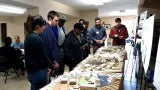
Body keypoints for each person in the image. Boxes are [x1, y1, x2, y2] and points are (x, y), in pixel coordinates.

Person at [24, 15, 54, 90]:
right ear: (37, 26)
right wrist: (51, 66)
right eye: (43, 25)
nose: (45, 27)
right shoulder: (37, 39)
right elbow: (43, 57)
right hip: (38, 72)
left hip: (31, 72)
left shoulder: (28, 36)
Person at [40, 11, 60, 76]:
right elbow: (48, 48)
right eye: (56, 21)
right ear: (50, 19)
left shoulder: (50, 28)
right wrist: (54, 61)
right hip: (51, 62)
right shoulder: (46, 29)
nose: (57, 23)